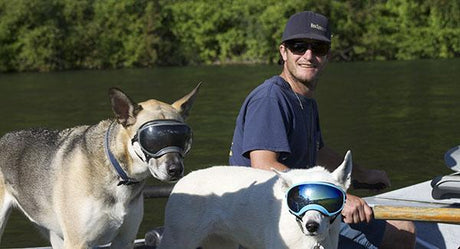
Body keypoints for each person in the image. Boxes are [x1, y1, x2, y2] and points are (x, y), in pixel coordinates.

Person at [229, 11, 416, 249]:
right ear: (283, 52)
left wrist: (363, 175)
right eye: (299, 46)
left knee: (402, 226)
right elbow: (264, 167)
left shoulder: (305, 101)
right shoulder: (270, 99)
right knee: (400, 233)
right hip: (267, 224)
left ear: (327, 55)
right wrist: (340, 198)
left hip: (303, 210)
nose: (309, 55)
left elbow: (318, 152)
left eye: (318, 48)